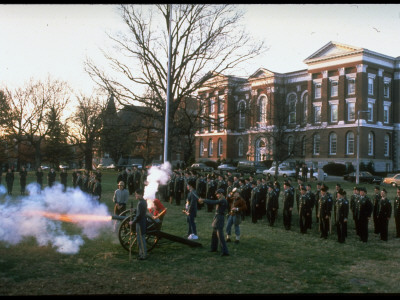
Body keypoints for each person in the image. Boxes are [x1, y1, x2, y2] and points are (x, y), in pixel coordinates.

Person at [199, 188, 229, 256]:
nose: (217, 195)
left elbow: (213, 202)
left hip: (220, 218)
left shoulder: (223, 200)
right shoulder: (221, 199)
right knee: (214, 234)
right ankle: (213, 248)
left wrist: (204, 200)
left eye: (218, 194)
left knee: (220, 235)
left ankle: (225, 251)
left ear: (221, 194)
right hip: (217, 217)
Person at [129, 188, 148, 260]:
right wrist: (134, 210)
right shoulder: (142, 201)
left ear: (140, 194)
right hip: (142, 222)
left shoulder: (140, 203)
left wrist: (132, 222)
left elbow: (139, 215)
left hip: (140, 223)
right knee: (140, 239)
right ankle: (141, 253)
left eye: (136, 194)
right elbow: (140, 211)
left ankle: (143, 255)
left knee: (141, 240)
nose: (135, 195)